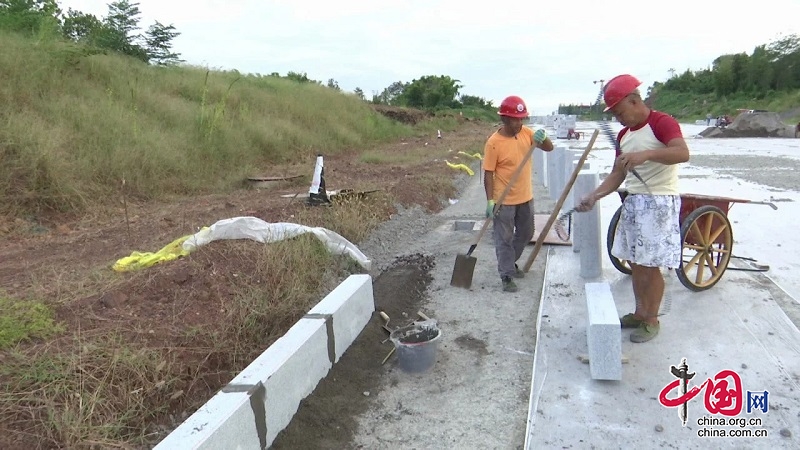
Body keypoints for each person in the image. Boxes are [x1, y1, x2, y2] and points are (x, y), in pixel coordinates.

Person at [575, 74, 690, 343]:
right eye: (614, 115)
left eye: (620, 112)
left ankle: (652, 319)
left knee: (651, 266)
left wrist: (646, 155)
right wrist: (594, 196)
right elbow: (618, 175)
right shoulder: (625, 136)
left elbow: (682, 153)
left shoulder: (662, 123)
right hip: (634, 201)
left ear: (634, 101)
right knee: (636, 263)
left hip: (659, 202)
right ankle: (639, 313)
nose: (618, 119)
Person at [483, 95, 554, 292]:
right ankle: (506, 274)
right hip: (503, 200)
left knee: (526, 233)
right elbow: (488, 174)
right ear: (504, 119)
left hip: (526, 197)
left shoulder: (527, 134)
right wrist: (490, 201)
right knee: (503, 238)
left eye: (522, 118)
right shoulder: (493, 143)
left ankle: (508, 262)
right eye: (515, 119)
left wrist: (544, 138)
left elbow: (549, 148)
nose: (519, 123)